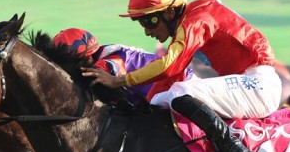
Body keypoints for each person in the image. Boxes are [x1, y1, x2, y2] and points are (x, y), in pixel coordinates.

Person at [82, 0, 282, 152]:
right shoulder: (190, 21)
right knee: (162, 98)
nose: (147, 30)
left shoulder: (197, 20)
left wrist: (119, 81)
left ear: (170, 11)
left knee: (179, 92)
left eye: (150, 21)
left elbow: (169, 66)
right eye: (140, 22)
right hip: (247, 83)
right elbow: (167, 79)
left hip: (259, 85)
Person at [52, 27, 190, 101]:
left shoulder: (112, 59)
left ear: (87, 56)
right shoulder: (103, 52)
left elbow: (96, 76)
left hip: (183, 86)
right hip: (157, 96)